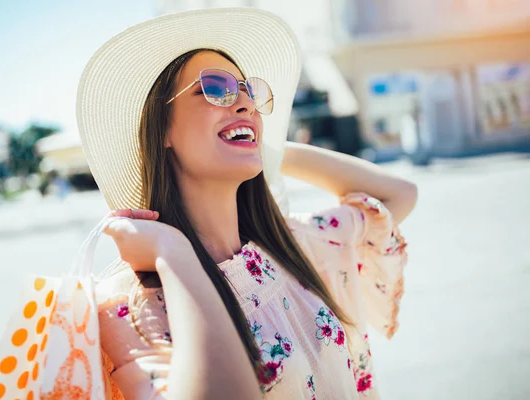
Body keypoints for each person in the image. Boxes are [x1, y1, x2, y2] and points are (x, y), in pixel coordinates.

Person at [76, 8, 417, 400]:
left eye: (248, 92)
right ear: (162, 128)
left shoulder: (292, 248)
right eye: (216, 87)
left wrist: (263, 146)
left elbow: (398, 195)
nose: (246, 104)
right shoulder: (135, 306)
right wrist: (174, 253)